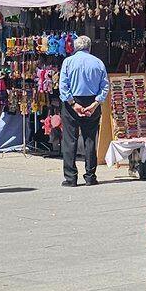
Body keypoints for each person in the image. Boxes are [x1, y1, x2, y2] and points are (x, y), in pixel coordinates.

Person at [57, 34, 107, 186]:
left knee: (69, 140)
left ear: (75, 47)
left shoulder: (68, 62)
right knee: (90, 139)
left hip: (72, 102)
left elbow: (63, 85)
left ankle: (71, 178)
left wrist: (73, 104)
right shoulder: (98, 63)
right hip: (92, 101)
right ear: (89, 47)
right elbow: (105, 86)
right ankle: (90, 176)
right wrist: (95, 104)